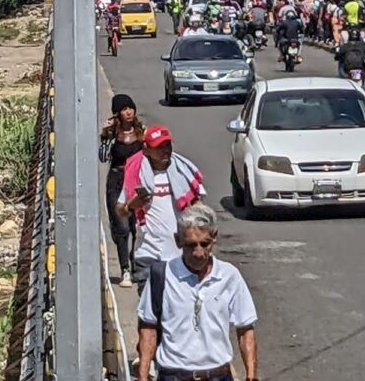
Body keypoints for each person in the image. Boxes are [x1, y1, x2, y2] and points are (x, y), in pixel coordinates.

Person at [137, 204, 258, 381]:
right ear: (178, 241)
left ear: (214, 238)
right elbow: (148, 329)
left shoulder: (229, 276)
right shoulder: (162, 276)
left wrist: (251, 376)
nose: (199, 252)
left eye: (205, 244)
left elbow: (246, 329)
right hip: (173, 375)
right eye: (191, 245)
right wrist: (142, 375)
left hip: (218, 375)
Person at [116, 125, 206, 294]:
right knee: (150, 314)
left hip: (180, 256)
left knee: (178, 313)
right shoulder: (137, 174)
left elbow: (200, 208)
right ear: (147, 150)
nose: (165, 151)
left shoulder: (182, 172)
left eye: (168, 145)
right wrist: (131, 206)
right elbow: (119, 209)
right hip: (148, 254)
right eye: (159, 147)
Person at [100, 94, 144, 287]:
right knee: (122, 227)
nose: (128, 112)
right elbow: (102, 157)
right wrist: (104, 135)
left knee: (137, 227)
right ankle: (125, 269)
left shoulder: (141, 133)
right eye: (124, 109)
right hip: (117, 181)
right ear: (117, 113)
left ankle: (136, 263)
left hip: (136, 182)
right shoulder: (113, 135)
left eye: (130, 108)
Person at [335, 27, 365, 94]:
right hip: (360, 70)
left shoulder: (345, 46)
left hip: (347, 71)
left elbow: (338, 55)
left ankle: (340, 84)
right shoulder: (364, 45)